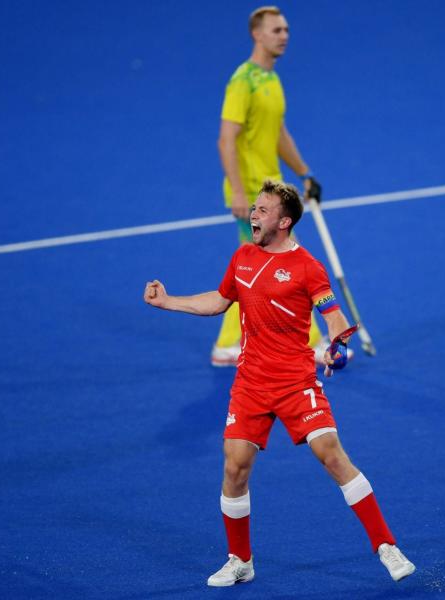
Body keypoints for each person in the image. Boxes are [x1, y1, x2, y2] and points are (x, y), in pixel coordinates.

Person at [144, 181, 415, 585]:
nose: (253, 214)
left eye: (263, 210)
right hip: (250, 382)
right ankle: (241, 560)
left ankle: (386, 547)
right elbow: (220, 301)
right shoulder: (242, 257)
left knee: (332, 456)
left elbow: (335, 318)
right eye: (254, 208)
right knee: (235, 468)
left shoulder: (308, 267)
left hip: (294, 381)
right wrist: (169, 301)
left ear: (284, 221)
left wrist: (337, 346)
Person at [211, 5, 330, 367]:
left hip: (270, 190)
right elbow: (226, 139)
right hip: (252, 194)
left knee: (255, 268)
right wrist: (238, 192)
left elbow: (278, 134)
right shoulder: (242, 81)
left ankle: (229, 343)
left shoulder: (271, 80)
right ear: (257, 34)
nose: (284, 36)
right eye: (277, 30)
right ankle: (310, 343)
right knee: (287, 264)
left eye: (286, 30)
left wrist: (304, 173)